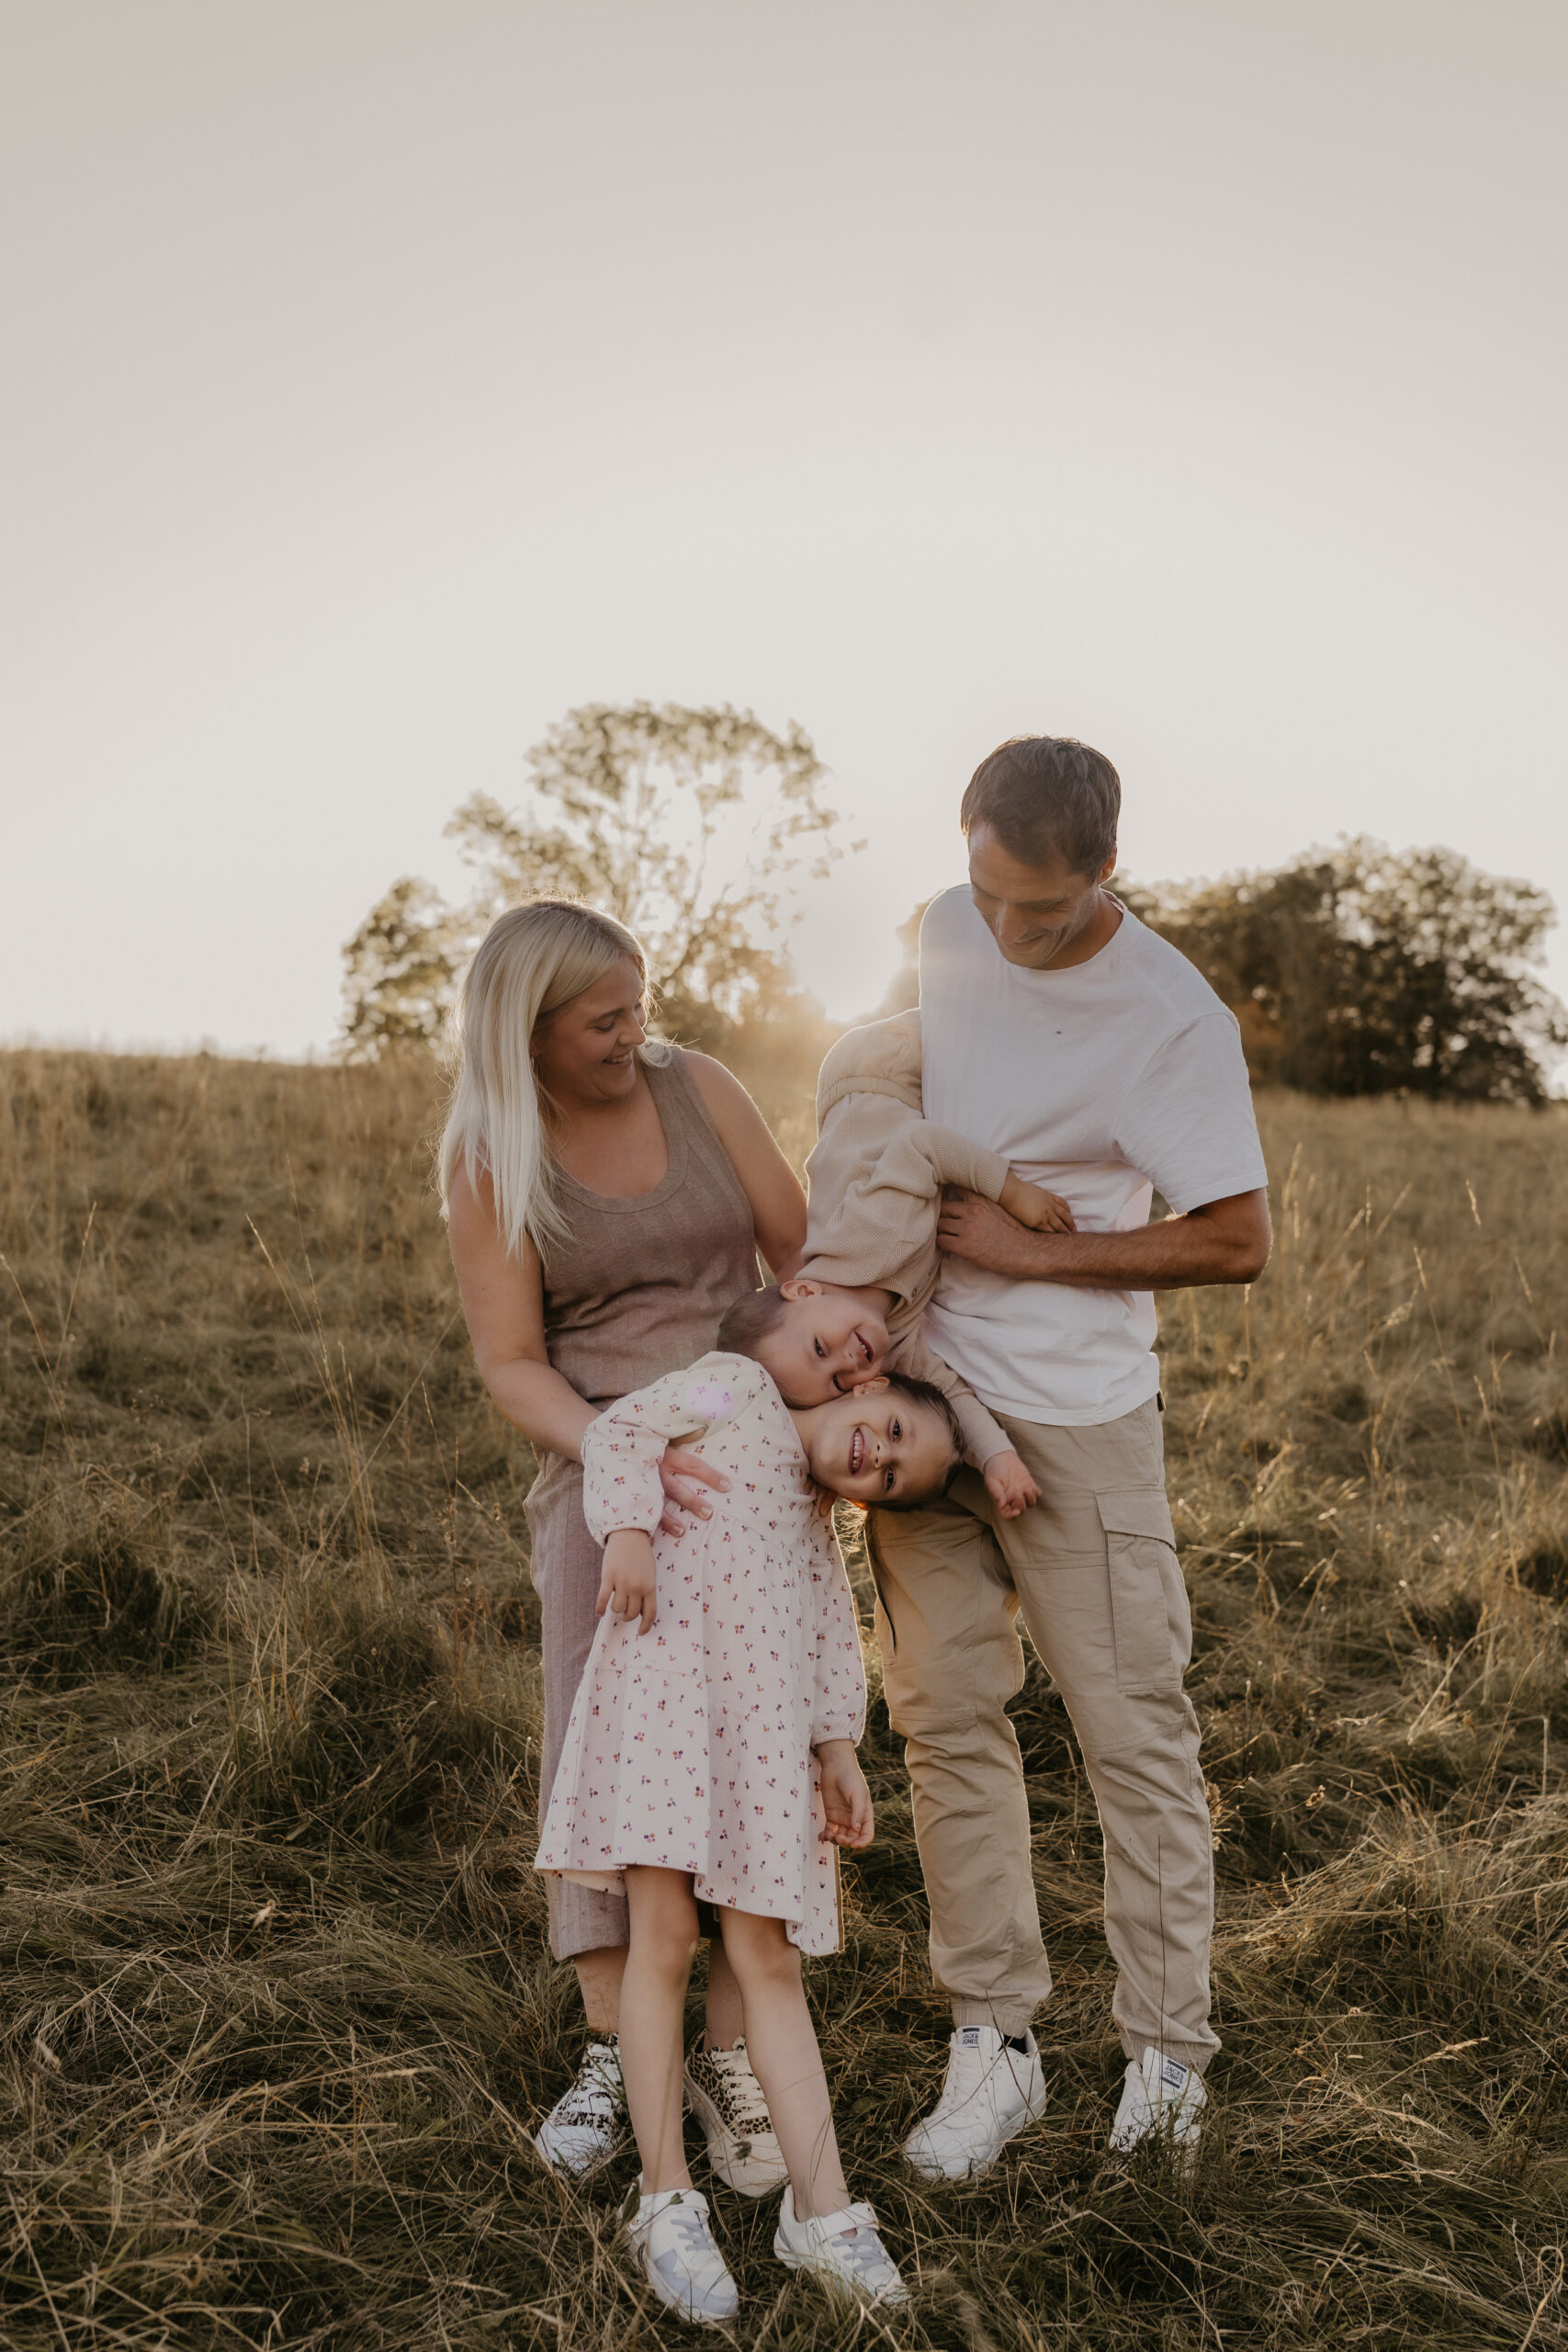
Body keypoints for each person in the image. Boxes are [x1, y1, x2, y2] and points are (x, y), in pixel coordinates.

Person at [868, 735, 1271, 2178]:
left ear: (1104, 869)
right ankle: (995, 2045)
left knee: (1130, 1735)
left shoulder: (1167, 1017)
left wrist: (1034, 1255)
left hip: (1077, 1421)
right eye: (983, 891)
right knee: (941, 1721)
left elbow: (1234, 1239)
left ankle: (1164, 2059)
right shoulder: (943, 923)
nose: (1001, 927)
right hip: (918, 1405)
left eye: (1035, 909)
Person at [442, 897, 810, 2188]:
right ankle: (613, 2046)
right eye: (603, 1020)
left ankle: (728, 2049)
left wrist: (813, 1413)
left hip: (754, 1460)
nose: (632, 1034)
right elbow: (510, 1361)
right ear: (527, 1032)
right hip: (606, 1469)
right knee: (601, 1743)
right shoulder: (493, 1156)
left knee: (753, 1740)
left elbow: (797, 1251)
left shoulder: (698, 1087)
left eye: (638, 1005)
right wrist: (625, 1455)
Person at [537, 1349, 961, 2321]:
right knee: (663, 1939)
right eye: (895, 1430)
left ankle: (823, 2209)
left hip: (760, 1750)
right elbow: (622, 1427)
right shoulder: (733, 1386)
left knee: (768, 1956)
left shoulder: (816, 1521)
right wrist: (629, 1527)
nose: (881, 1457)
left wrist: (836, 1746)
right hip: (664, 1708)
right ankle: (664, 2197)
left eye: (895, 1478)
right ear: (868, 1389)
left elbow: (828, 1630)